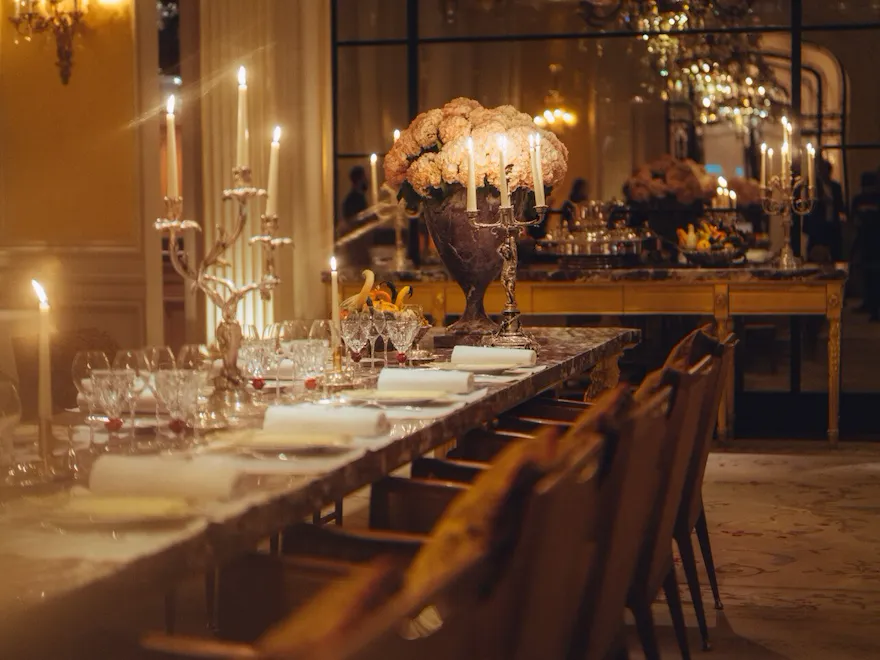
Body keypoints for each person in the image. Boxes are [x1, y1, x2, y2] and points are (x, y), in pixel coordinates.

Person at [851, 171, 880, 320]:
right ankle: (871, 305)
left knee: (873, 274)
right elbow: (854, 218)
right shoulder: (860, 199)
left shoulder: (869, 199)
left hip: (872, 241)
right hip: (867, 241)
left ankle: (874, 307)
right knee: (869, 274)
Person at [805, 159, 846, 262]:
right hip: (818, 226)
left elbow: (840, 204)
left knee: (835, 253)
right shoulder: (814, 187)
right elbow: (810, 205)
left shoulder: (835, 186)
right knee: (816, 255)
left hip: (832, 224)